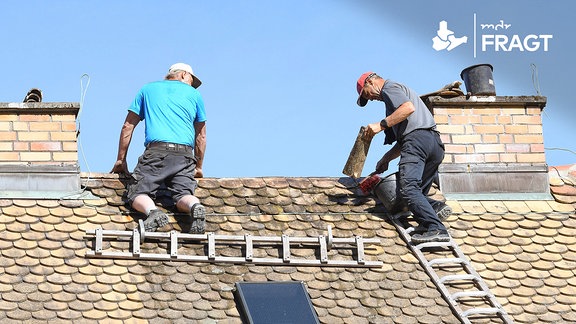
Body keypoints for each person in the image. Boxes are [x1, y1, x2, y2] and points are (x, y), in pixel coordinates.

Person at [356, 71, 452, 243]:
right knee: (417, 193)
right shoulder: (394, 98)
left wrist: (381, 125)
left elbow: (408, 109)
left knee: (407, 188)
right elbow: (406, 139)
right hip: (434, 144)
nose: (370, 99)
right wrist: (386, 158)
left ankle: (436, 228)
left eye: (366, 94)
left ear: (370, 82)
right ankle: (433, 208)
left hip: (417, 142)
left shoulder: (389, 88)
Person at [111, 63, 207, 234]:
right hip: (185, 155)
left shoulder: (147, 90)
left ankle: (153, 212)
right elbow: (201, 136)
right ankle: (195, 206)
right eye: (192, 80)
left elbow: (128, 126)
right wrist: (198, 167)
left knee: (135, 193)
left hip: (157, 152)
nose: (192, 86)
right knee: (182, 194)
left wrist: (121, 159)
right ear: (184, 75)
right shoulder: (195, 95)